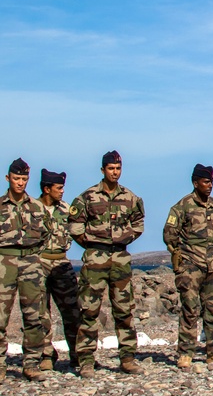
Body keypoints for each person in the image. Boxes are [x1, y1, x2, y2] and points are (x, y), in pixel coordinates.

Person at [67, 150, 145, 378]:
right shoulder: (88, 197)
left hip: (120, 259)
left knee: (124, 310)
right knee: (89, 310)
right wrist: (91, 243)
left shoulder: (130, 197)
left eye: (118, 168)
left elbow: (138, 223)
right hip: (95, 259)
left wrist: (123, 238)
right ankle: (87, 360)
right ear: (103, 170)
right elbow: (74, 224)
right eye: (111, 168)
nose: (115, 172)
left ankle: (128, 358)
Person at [162, 164, 213, 368]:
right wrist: (184, 257)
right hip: (191, 266)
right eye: (205, 182)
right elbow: (169, 235)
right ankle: (186, 352)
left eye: (211, 182)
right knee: (189, 308)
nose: (210, 185)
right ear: (196, 183)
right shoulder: (183, 206)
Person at [0, 158, 50, 382]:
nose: (20, 183)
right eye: (17, 178)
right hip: (4, 264)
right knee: (1, 318)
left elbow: (46, 234)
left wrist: (33, 255)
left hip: (30, 263)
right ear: (8, 178)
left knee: (33, 316)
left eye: (24, 179)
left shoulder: (37, 207)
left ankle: (31, 363)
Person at [37, 168, 81, 372]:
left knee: (72, 311)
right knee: (40, 313)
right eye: (59, 187)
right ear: (47, 189)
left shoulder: (66, 209)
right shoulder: (33, 209)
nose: (62, 191)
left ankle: (77, 354)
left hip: (62, 264)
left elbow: (75, 232)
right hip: (38, 264)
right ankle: (46, 354)